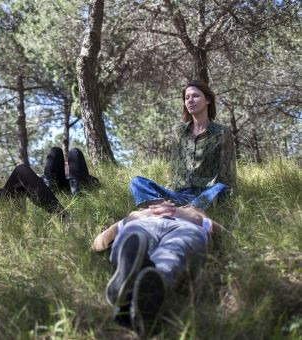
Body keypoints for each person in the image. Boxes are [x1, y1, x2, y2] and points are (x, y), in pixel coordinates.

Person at [92, 201, 224, 336]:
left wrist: (201, 217)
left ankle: (139, 285)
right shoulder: (138, 214)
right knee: (134, 239)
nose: (168, 203)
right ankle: (141, 285)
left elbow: (226, 236)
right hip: (142, 224)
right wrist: (130, 219)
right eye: (162, 201)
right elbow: (98, 243)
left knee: (173, 253)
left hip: (185, 228)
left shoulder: (194, 213)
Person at [130, 80, 236, 209]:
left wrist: (227, 198)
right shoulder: (178, 132)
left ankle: (178, 209)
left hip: (206, 194)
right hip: (178, 194)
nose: (190, 100)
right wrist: (168, 191)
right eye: (187, 98)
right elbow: (174, 168)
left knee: (220, 187)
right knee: (137, 182)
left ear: (208, 100)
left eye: (195, 96)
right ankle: (172, 208)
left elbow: (227, 173)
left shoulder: (222, 132)